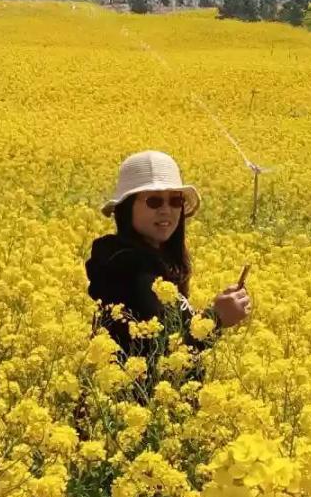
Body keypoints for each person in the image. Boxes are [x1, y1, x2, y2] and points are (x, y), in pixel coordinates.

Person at [85, 150, 253, 392]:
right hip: (140, 412)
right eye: (154, 201)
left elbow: (170, 338)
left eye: (175, 201)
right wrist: (215, 320)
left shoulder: (150, 265)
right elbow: (159, 359)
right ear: (126, 208)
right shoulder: (132, 272)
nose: (166, 210)